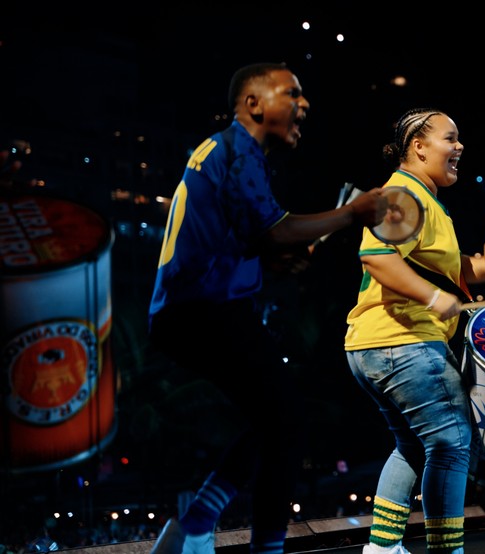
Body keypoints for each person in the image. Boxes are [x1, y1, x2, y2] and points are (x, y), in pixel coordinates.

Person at [147, 62, 386, 554]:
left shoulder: (224, 153)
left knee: (275, 418)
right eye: (292, 93)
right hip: (202, 309)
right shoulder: (240, 150)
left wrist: (278, 263)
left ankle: (194, 526)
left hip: (188, 309)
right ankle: (245, 542)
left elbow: (248, 240)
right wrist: (352, 212)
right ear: (254, 102)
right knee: (287, 419)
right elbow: (273, 230)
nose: (305, 104)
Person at [344, 108, 485, 554]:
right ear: (418, 146)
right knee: (454, 441)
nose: (459, 147)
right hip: (402, 342)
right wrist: (434, 300)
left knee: (414, 446)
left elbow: (445, 269)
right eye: (449, 138)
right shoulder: (404, 192)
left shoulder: (423, 199)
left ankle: (382, 548)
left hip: (373, 344)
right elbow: (376, 256)